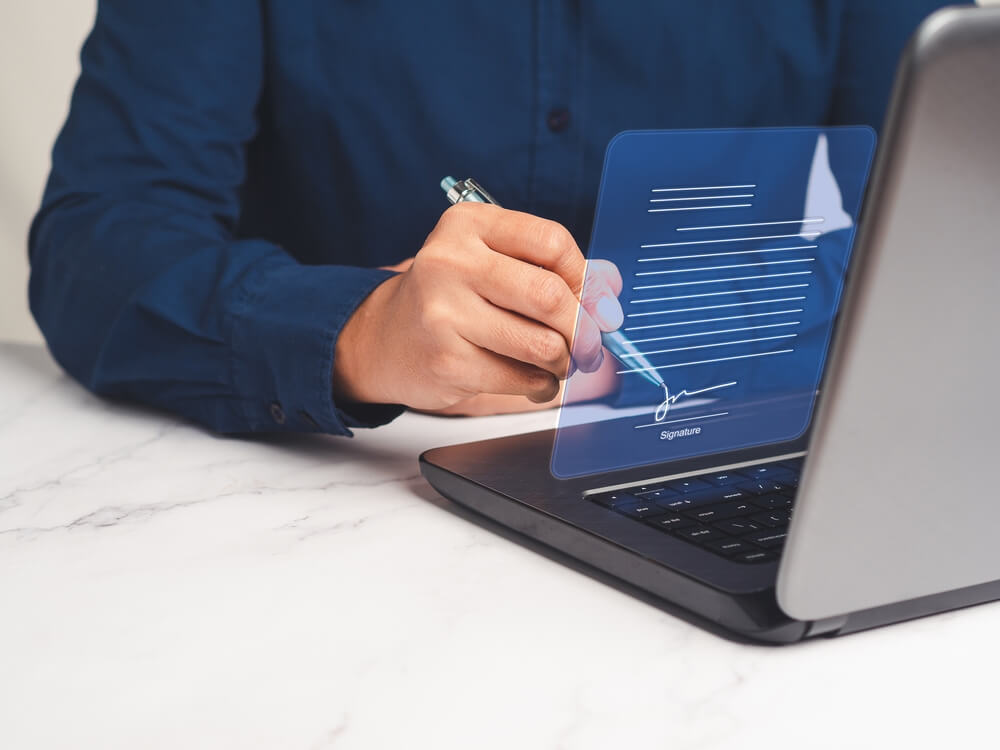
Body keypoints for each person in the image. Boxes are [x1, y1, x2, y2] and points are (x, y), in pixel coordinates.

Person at [28, 1, 947, 437]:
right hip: (344, 485)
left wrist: (690, 320)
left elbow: (944, 231)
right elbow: (98, 238)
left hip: (732, 442)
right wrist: (351, 333)